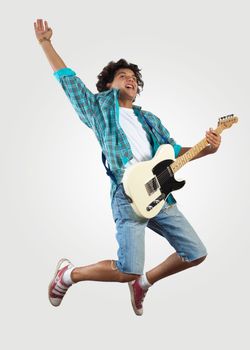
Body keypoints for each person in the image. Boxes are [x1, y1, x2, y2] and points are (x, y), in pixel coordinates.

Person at [34, 19, 221, 316]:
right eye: (122, 76)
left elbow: (172, 153)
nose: (130, 80)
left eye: (134, 78)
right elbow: (68, 81)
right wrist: (46, 43)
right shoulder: (99, 109)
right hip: (127, 196)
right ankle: (69, 274)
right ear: (109, 85)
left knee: (196, 253)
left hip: (160, 194)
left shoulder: (150, 120)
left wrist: (206, 148)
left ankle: (144, 284)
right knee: (127, 270)